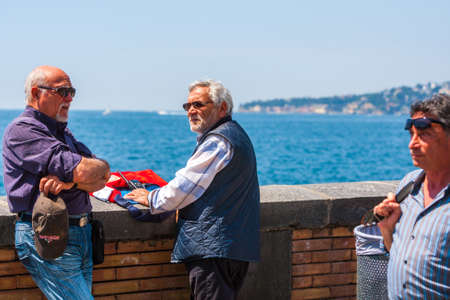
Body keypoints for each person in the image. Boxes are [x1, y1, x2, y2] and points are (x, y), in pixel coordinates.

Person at [125, 79, 260, 300]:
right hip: (230, 246)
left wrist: (151, 197)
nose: (191, 111)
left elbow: (184, 187)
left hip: (213, 251)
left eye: (198, 105)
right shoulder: (234, 134)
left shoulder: (218, 141)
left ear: (222, 108)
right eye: (187, 106)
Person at [2, 66, 110, 300]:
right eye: (62, 91)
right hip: (49, 234)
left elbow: (103, 176)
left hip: (80, 235)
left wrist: (71, 183)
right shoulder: (22, 130)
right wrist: (82, 175)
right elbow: (84, 171)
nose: (69, 98)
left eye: (71, 91)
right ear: (36, 92)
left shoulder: (63, 133)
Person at [374, 93, 449, 299]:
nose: (412, 144)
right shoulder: (409, 184)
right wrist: (387, 228)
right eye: (411, 135)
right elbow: (400, 255)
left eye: (424, 134)